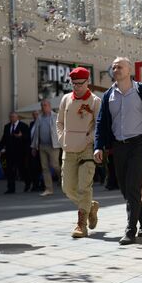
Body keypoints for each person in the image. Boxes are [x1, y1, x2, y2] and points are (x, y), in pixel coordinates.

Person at [94, 57, 142, 245]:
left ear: (129, 69)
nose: (116, 69)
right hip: (119, 145)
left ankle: (130, 230)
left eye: (120, 66)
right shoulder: (108, 95)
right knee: (124, 187)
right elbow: (101, 122)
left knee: (132, 185)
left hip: (139, 143)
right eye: (113, 67)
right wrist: (99, 145)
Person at [57, 67, 102, 238]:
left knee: (84, 186)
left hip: (86, 150)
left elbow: (98, 126)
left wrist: (87, 140)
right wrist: (62, 139)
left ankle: (81, 224)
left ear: (87, 82)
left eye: (80, 84)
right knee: (67, 188)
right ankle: (90, 206)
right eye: (73, 84)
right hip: (68, 149)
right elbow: (59, 122)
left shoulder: (95, 101)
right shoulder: (65, 99)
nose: (76, 87)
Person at [31, 99, 61, 197]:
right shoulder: (39, 118)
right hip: (42, 146)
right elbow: (36, 133)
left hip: (54, 146)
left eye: (45, 105)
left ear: (49, 106)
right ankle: (49, 189)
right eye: (42, 105)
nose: (43, 107)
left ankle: (64, 180)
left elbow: (61, 130)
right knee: (45, 168)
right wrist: (34, 147)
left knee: (55, 165)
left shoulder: (55, 116)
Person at [0, 112, 30, 194]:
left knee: (22, 169)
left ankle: (27, 184)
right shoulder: (7, 127)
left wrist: (21, 136)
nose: (12, 118)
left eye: (14, 117)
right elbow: (4, 139)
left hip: (20, 152)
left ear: (17, 117)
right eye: (11, 117)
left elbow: (28, 138)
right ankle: (11, 188)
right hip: (10, 152)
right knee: (10, 171)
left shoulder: (24, 126)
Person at [28, 110, 43, 192]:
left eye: (37, 114)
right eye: (33, 115)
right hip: (32, 149)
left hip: (41, 148)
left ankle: (42, 184)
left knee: (41, 167)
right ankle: (35, 185)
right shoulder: (31, 124)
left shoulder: (42, 123)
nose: (35, 116)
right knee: (34, 168)